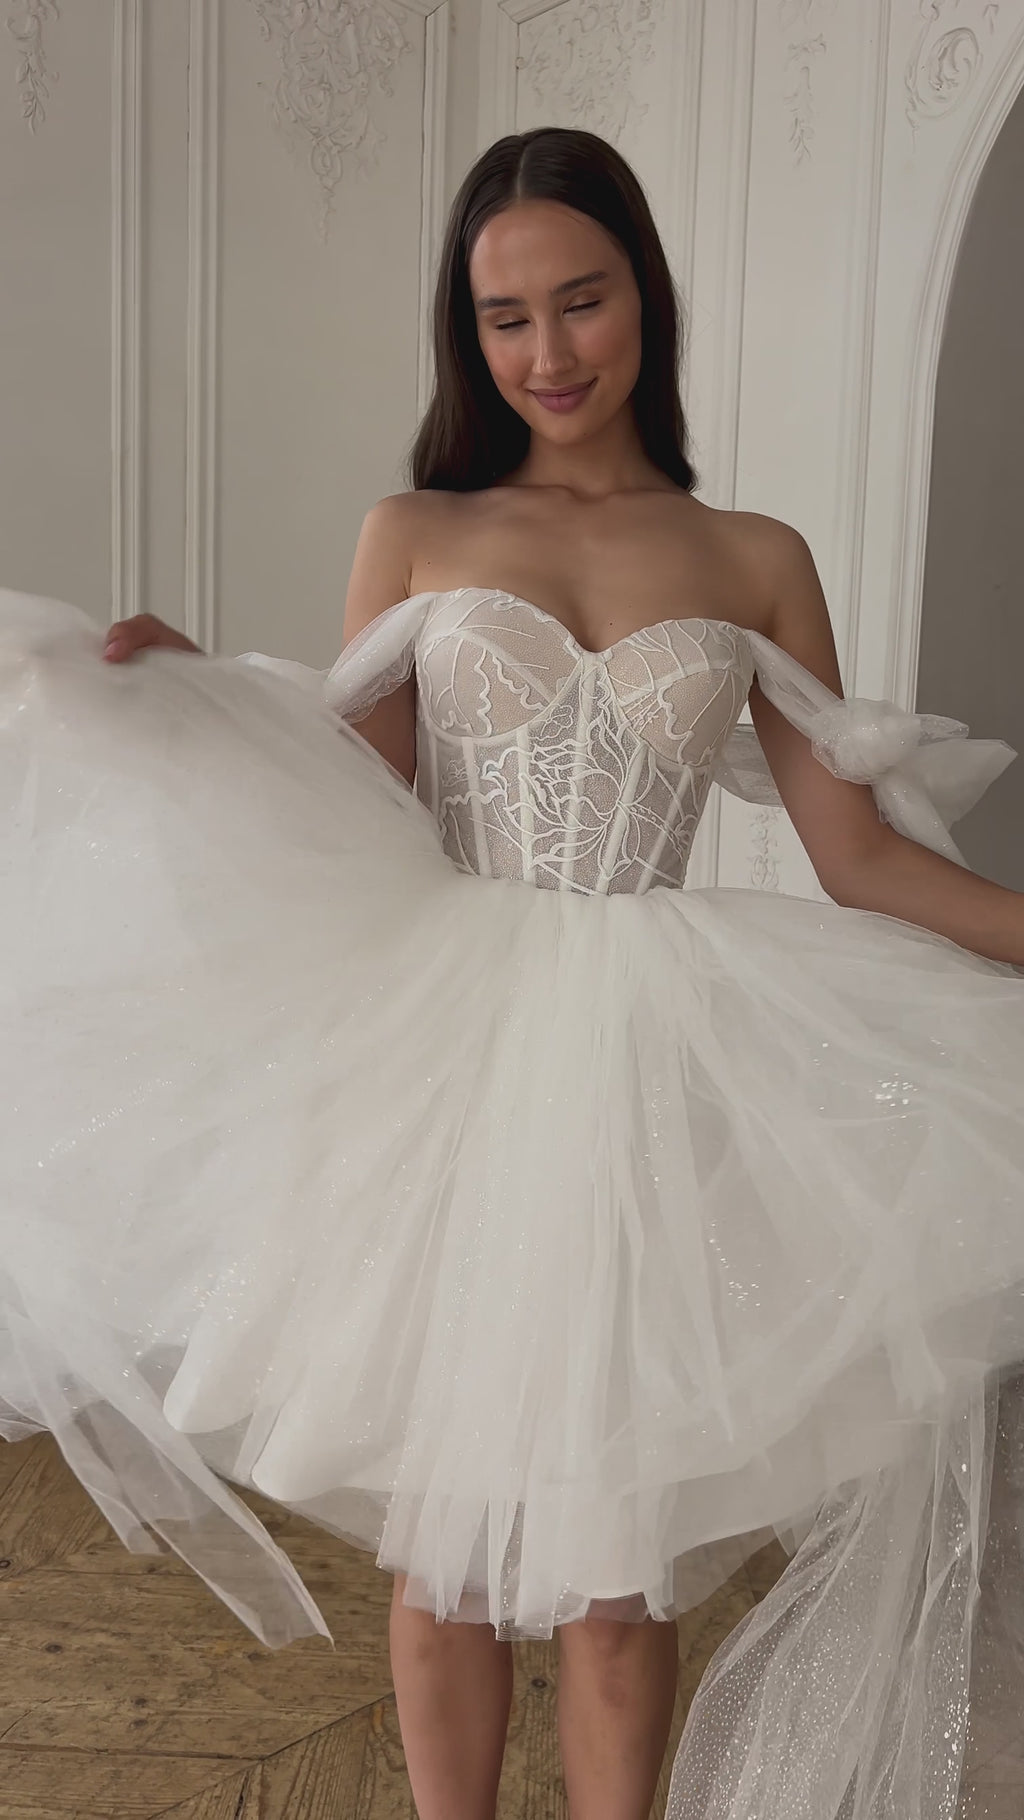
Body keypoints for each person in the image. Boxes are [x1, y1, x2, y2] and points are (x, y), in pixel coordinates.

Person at [1, 125, 1023, 1820]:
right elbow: (350, 790)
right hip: (458, 1052)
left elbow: (862, 860)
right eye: (504, 317)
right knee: (450, 1559)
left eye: (582, 300)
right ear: (466, 334)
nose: (549, 351)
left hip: (652, 1068)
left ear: (647, 299)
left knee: (620, 1577)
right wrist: (194, 704)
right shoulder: (416, 527)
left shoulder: (755, 556)